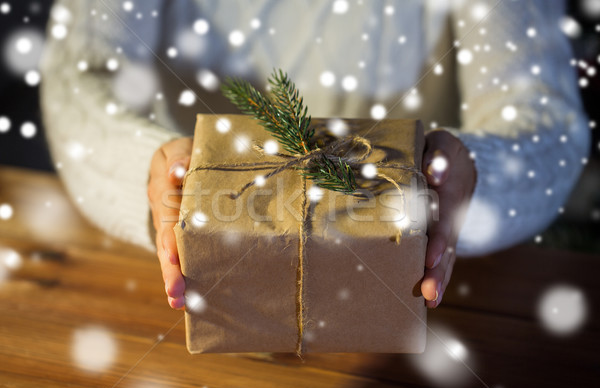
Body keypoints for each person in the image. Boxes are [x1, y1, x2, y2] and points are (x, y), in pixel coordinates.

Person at [41, 0, 589, 311]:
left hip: (416, 303)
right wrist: (148, 164)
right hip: (192, 281)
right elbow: (76, 77)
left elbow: (548, 121)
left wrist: (476, 170)